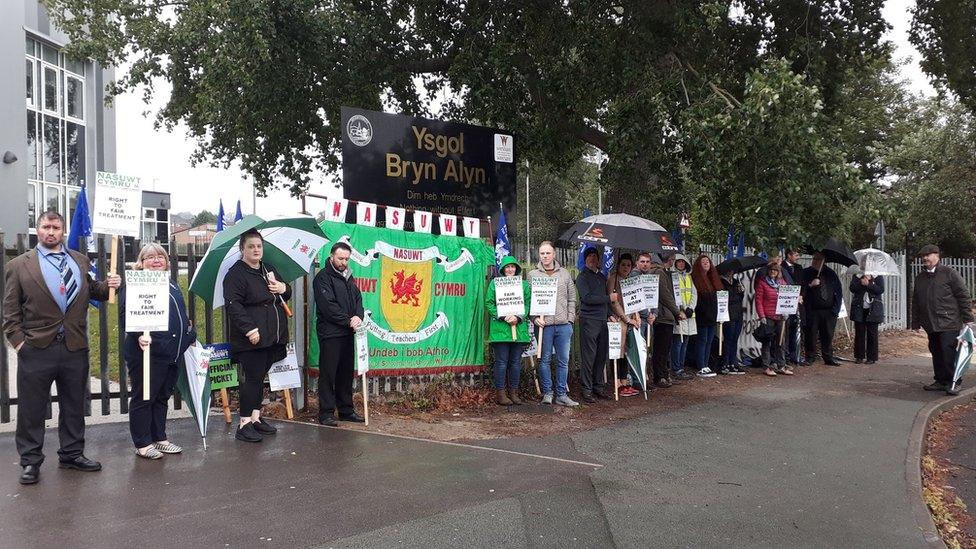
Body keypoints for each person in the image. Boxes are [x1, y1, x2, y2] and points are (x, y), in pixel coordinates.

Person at [3, 211, 121, 485]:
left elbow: (95, 292)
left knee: (74, 404)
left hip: (74, 347)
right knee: (31, 409)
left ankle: (71, 453)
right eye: (46, 226)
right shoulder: (20, 265)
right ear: (37, 229)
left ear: (63, 230)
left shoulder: (79, 260)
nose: (51, 231)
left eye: (56, 227)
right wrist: (20, 344)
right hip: (36, 348)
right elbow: (10, 313)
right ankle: (30, 461)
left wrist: (110, 285)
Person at [121, 244, 197, 459]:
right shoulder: (137, 284)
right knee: (144, 397)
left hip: (171, 352)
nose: (156, 261)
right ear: (141, 262)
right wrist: (139, 336)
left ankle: (159, 438)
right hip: (148, 352)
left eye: (160, 257)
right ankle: (143, 443)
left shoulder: (171, 284)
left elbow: (178, 313)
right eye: (150, 257)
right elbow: (128, 314)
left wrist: (188, 333)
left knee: (162, 396)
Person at [224, 229, 292, 441]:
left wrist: (282, 287)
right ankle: (243, 424)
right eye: (251, 246)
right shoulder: (236, 274)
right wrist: (249, 329)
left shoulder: (268, 269)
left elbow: (286, 293)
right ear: (242, 249)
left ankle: (255, 417)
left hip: (272, 336)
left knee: (260, 378)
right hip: (252, 337)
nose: (255, 249)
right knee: (252, 379)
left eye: (258, 246)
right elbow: (234, 306)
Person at [313, 241, 366, 424]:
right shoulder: (322, 278)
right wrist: (348, 320)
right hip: (330, 333)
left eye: (346, 259)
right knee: (328, 373)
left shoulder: (348, 277)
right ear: (332, 257)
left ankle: (346, 410)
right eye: (340, 258)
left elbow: (358, 298)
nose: (344, 262)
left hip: (348, 332)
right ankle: (326, 413)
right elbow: (328, 307)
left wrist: (358, 316)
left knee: (345, 373)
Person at [912, 245, 975, 395]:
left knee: (949, 353)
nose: (925, 258)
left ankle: (954, 382)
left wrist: (968, 319)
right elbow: (916, 301)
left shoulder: (949, 274)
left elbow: (963, 296)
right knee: (936, 351)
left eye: (928, 255)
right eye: (923, 256)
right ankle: (941, 380)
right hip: (930, 323)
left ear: (937, 256)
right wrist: (915, 322)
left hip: (949, 322)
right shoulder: (920, 278)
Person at [527, 241, 579, 407]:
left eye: (548, 253)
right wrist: (534, 318)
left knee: (563, 361)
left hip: (563, 325)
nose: (545, 256)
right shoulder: (533, 275)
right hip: (544, 326)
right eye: (542, 253)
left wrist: (570, 319)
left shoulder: (564, 274)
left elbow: (572, 298)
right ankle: (548, 393)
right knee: (544, 360)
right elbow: (528, 301)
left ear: (554, 254)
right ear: (539, 255)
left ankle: (562, 394)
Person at [485, 255, 531, 405]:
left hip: (518, 329)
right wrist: (503, 316)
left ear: (516, 269)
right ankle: (501, 394)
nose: (510, 269)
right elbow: (489, 303)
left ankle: (514, 392)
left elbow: (528, 303)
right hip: (501, 330)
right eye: (507, 267)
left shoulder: (523, 285)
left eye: (512, 267)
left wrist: (518, 317)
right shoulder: (495, 284)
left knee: (515, 363)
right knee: (502, 362)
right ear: (503, 269)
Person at [576, 247, 615, 402]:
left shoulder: (601, 277)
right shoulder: (582, 277)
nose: (592, 259)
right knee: (589, 356)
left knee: (601, 356)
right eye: (589, 256)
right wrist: (609, 298)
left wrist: (610, 314)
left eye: (594, 256)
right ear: (585, 259)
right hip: (589, 320)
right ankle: (586, 389)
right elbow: (587, 298)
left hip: (602, 321)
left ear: (598, 260)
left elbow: (605, 299)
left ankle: (598, 387)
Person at [801, 252, 843, 366]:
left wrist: (835, 310)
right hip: (812, 310)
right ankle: (810, 357)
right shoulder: (806, 273)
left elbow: (838, 292)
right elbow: (801, 291)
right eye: (814, 258)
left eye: (819, 259)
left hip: (829, 311)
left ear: (824, 261)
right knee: (811, 334)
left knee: (828, 335)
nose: (815, 261)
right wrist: (811, 285)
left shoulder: (831, 274)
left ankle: (828, 357)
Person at [608, 254, 641, 397]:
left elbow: (634, 300)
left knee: (626, 351)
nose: (626, 268)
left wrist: (637, 315)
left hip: (630, 320)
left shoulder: (629, 280)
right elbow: (614, 303)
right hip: (619, 320)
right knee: (617, 352)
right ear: (618, 265)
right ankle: (617, 383)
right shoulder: (613, 280)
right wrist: (627, 319)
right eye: (623, 265)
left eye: (628, 265)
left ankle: (624, 381)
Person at [649, 254, 683, 388]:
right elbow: (665, 295)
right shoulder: (659, 272)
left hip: (665, 314)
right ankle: (660, 376)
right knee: (661, 348)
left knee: (664, 348)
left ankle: (664, 374)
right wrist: (676, 311)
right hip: (663, 315)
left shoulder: (663, 272)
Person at [755, 261, 793, 376]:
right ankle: (767, 366)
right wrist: (761, 316)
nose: (773, 272)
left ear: (778, 272)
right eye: (771, 270)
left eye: (775, 270)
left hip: (781, 316)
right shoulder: (762, 283)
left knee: (781, 341)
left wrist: (787, 312)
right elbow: (758, 301)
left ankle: (781, 365)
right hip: (768, 316)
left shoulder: (783, 283)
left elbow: (788, 298)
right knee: (767, 342)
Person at [691, 255, 721, 378]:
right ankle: (701, 365)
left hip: (713, 316)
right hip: (702, 316)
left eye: (708, 262)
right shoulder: (695, 279)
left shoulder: (713, 279)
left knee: (709, 341)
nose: (706, 263)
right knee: (702, 341)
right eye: (703, 262)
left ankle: (706, 364)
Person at [670, 254, 697, 380]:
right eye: (678, 262)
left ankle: (681, 366)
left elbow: (694, 293)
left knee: (685, 343)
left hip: (689, 315)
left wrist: (691, 308)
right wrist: (683, 309)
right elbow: (674, 294)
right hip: (679, 314)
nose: (681, 264)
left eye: (683, 262)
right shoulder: (673, 276)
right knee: (677, 343)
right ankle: (676, 368)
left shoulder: (689, 277)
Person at [849, 272, 884, 365]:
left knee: (872, 333)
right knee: (859, 332)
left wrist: (869, 284)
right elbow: (852, 288)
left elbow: (880, 290)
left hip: (873, 308)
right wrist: (861, 282)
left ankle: (871, 357)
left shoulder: (878, 276)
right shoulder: (857, 275)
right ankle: (859, 356)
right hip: (859, 307)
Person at [718, 265, 747, 375]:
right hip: (727, 313)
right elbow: (724, 297)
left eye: (732, 270)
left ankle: (733, 362)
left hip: (738, 313)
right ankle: (725, 363)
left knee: (735, 338)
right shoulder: (721, 282)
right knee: (728, 338)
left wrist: (741, 291)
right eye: (728, 270)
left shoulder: (736, 282)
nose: (730, 272)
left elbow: (739, 298)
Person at [782, 249, 805, 366]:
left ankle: (794, 355)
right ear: (788, 255)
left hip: (798, 303)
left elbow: (802, 284)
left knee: (796, 328)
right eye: (796, 255)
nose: (798, 257)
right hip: (786, 303)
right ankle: (785, 356)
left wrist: (801, 295)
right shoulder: (782, 267)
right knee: (785, 329)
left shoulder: (799, 268)